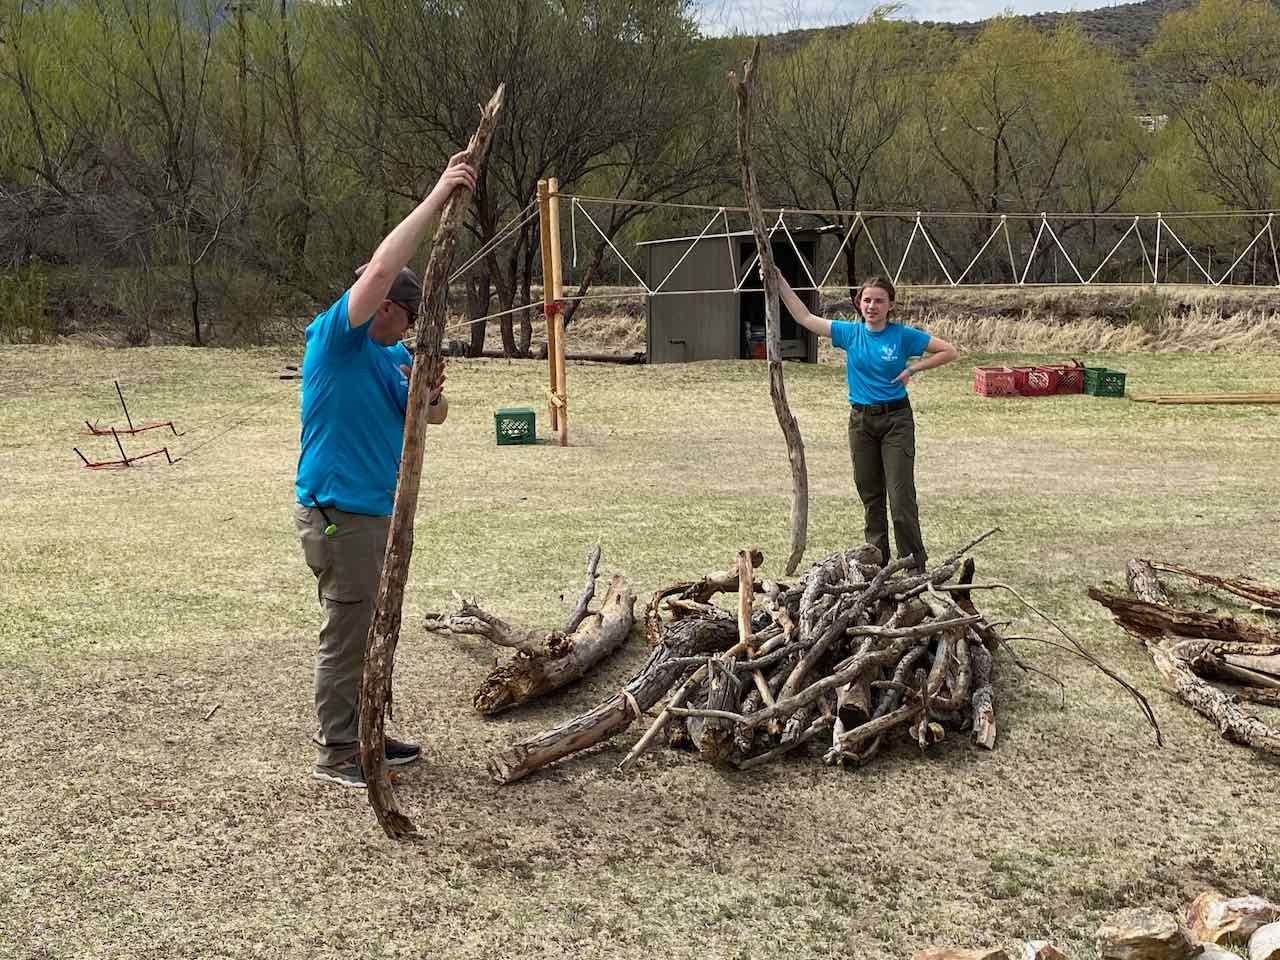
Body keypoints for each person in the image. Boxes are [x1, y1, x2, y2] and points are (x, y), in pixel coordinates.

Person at [294, 151, 477, 789]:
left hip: (377, 516)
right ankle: (338, 750)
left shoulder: (394, 357)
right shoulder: (336, 337)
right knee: (349, 629)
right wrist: (437, 196)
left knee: (375, 622)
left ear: (400, 315)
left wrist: (429, 395)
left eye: (387, 307)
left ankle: (366, 728)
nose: (366, 297)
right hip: (339, 513)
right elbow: (382, 265)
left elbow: (438, 415)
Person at [773, 269, 959, 572]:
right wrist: (779, 281)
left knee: (900, 500)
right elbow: (805, 318)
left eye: (879, 301)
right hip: (861, 423)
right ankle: (877, 563)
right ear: (859, 303)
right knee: (871, 496)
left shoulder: (902, 336)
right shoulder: (850, 333)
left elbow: (949, 351)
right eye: (867, 300)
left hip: (896, 420)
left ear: (890, 305)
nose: (872, 306)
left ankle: (914, 566)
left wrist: (913, 369)